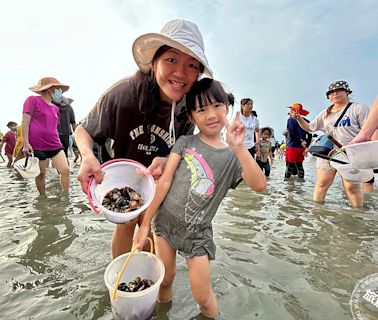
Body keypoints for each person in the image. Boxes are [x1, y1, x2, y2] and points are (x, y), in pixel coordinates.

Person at [75, 19, 213, 258]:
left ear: (198, 73)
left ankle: (147, 277)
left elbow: (186, 149)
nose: (180, 73)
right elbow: (83, 130)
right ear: (153, 62)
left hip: (158, 179)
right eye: (171, 59)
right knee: (126, 224)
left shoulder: (190, 108)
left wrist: (169, 160)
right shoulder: (123, 94)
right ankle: (119, 278)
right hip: (123, 173)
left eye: (191, 65)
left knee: (151, 227)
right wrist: (87, 156)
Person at [133, 78, 266, 318]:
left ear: (227, 106)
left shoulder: (233, 156)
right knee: (165, 280)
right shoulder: (185, 143)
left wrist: (239, 148)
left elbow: (259, 185)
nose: (211, 114)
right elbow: (164, 182)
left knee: (203, 297)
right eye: (201, 109)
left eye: (217, 105)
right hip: (164, 224)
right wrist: (144, 224)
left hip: (197, 234)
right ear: (192, 117)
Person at [294, 80, 369, 207]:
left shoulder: (359, 109)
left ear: (347, 92)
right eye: (331, 92)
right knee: (322, 183)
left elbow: (368, 130)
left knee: (352, 187)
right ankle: (317, 212)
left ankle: (357, 216)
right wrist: (299, 118)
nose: (335, 94)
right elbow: (310, 128)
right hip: (327, 152)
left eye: (338, 90)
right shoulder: (325, 113)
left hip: (350, 153)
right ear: (328, 97)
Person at [21, 77, 71, 195]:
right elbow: (25, 121)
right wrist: (25, 142)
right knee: (41, 173)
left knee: (65, 170)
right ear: (49, 89)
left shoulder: (55, 108)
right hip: (37, 145)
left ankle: (66, 198)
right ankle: (42, 198)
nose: (59, 91)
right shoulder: (32, 100)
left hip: (55, 144)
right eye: (57, 88)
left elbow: (53, 127)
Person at [285, 103, 312, 181]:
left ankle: (287, 184)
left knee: (290, 165)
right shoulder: (306, 121)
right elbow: (310, 134)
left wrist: (300, 141)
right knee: (300, 165)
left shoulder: (290, 119)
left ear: (294, 110)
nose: (290, 111)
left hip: (292, 146)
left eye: (291, 109)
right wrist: (306, 146)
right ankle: (301, 184)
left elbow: (291, 132)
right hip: (301, 147)